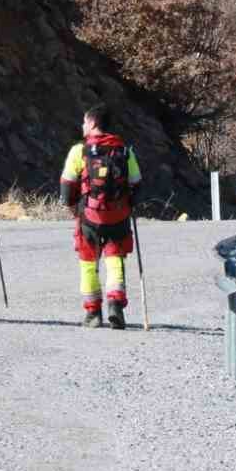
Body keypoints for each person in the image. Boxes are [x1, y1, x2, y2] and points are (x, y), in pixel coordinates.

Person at [59, 104, 141, 329]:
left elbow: (67, 185)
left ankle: (93, 313)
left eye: (85, 122)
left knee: (88, 263)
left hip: (89, 216)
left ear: (93, 123)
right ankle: (115, 305)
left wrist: (73, 207)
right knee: (115, 260)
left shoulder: (79, 151)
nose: (82, 126)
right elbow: (136, 183)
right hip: (118, 215)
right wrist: (129, 204)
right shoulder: (125, 151)